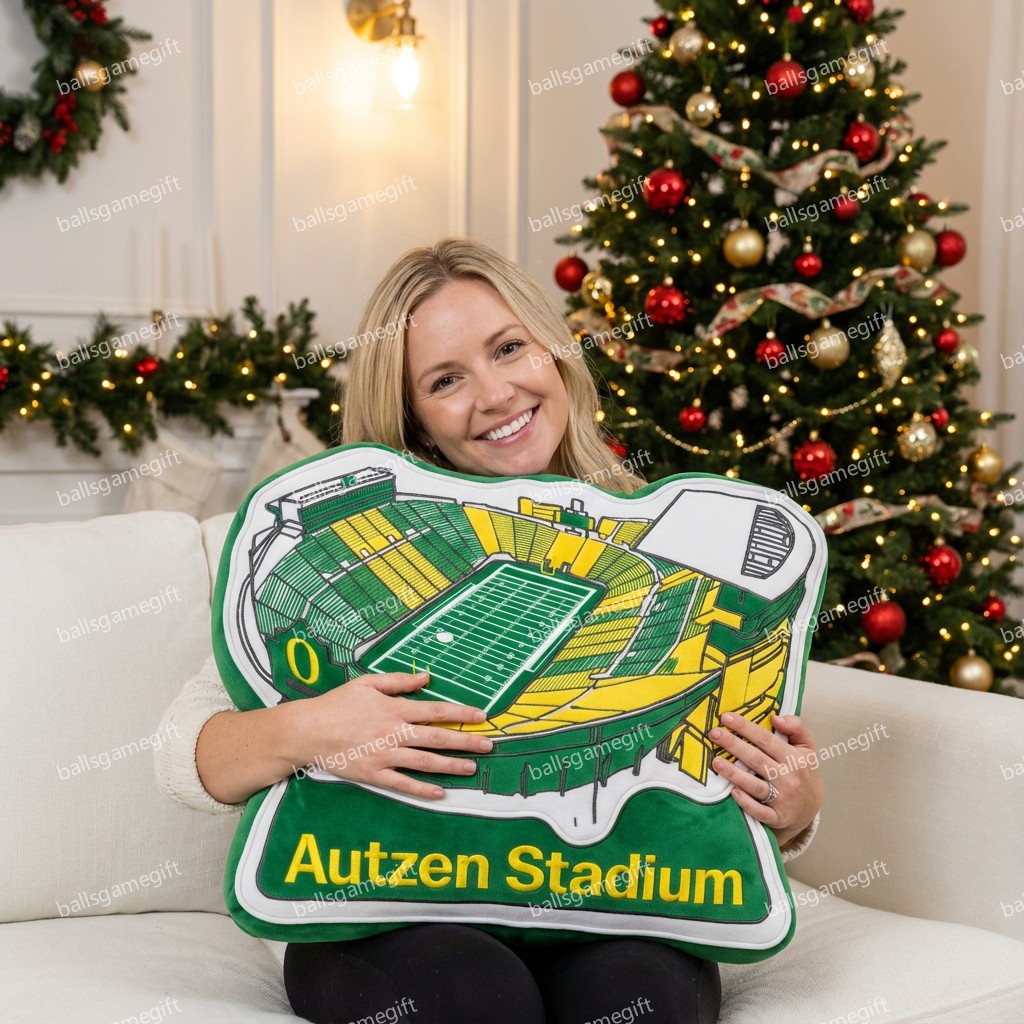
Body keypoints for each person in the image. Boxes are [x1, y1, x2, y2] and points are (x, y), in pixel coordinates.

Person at [156, 237, 824, 1024]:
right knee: (476, 999)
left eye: (509, 348)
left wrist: (797, 808)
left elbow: (731, 773)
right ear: (414, 420)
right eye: (447, 380)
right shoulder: (326, 531)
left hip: (608, 897)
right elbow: (179, 756)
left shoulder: (651, 524)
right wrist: (313, 727)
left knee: (640, 1001)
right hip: (393, 907)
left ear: (554, 352)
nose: (497, 392)